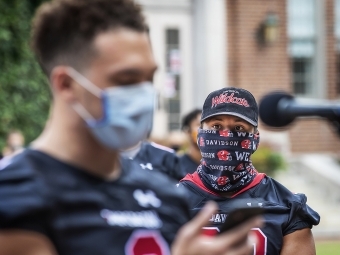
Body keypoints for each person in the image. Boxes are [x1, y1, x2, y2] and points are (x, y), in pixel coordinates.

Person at [0, 1, 262, 254]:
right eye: (127, 80)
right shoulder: (15, 196)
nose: (144, 95)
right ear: (67, 85)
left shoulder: (166, 195)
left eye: (149, 79)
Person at [178, 87, 320, 255]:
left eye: (238, 128)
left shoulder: (287, 206)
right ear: (200, 135)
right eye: (216, 126)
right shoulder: (170, 201)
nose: (226, 136)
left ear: (255, 138)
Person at [177, 109, 202, 176]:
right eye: (200, 125)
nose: (205, 130)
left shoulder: (222, 167)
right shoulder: (177, 167)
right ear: (188, 132)